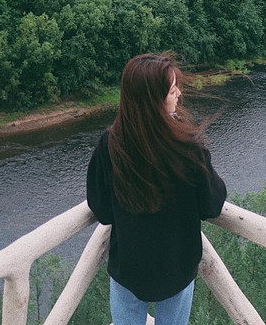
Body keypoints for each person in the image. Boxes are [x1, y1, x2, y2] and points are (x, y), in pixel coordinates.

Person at [86, 53, 227, 325]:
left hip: (129, 267)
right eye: (173, 90)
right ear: (154, 100)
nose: (179, 95)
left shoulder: (110, 143)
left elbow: (101, 210)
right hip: (177, 267)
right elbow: (212, 204)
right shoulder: (187, 145)